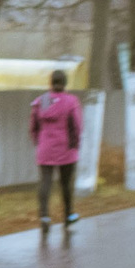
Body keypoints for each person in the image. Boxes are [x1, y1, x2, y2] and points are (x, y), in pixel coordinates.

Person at [31, 69, 85, 231]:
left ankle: (44, 217)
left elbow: (33, 126)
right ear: (65, 83)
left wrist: (39, 142)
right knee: (66, 183)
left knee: (45, 182)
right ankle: (68, 216)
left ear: (51, 83)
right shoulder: (71, 101)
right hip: (66, 149)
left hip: (45, 148)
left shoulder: (42, 100)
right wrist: (75, 145)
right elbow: (77, 126)